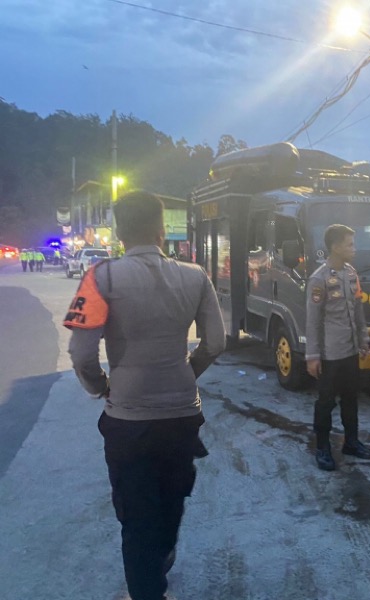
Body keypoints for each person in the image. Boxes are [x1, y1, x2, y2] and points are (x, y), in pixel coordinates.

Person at [64, 191, 225, 600]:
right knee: (173, 497)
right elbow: (216, 342)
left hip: (128, 419)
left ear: (119, 232)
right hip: (182, 413)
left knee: (136, 516)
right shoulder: (196, 276)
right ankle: (163, 555)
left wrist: (102, 386)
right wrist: (188, 372)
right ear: (161, 229)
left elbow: (82, 355)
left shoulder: (102, 277)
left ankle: (149, 588)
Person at [306, 224, 370, 471]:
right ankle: (323, 448)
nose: (354, 249)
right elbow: (313, 321)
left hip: (349, 351)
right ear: (335, 247)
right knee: (326, 401)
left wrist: (363, 341)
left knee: (350, 398)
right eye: (350, 244)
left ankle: (352, 442)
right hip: (329, 353)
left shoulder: (350, 273)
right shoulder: (319, 279)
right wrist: (312, 355)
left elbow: (358, 311)